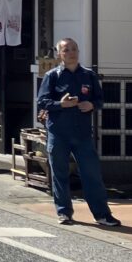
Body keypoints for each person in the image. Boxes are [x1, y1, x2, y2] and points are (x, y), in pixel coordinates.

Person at [36, 37, 121, 228]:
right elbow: (42, 102)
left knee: (92, 174)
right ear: (59, 54)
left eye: (74, 49)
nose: (71, 53)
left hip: (82, 133)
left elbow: (99, 100)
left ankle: (102, 214)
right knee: (60, 173)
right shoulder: (53, 76)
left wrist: (91, 104)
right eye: (66, 50)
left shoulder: (89, 75)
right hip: (58, 132)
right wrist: (61, 104)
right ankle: (64, 212)